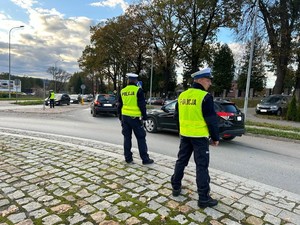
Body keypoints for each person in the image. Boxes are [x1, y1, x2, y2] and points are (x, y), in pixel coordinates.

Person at [171, 67, 220, 208]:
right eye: (207, 80)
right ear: (199, 80)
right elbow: (211, 119)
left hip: (185, 135)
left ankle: (175, 187)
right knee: (202, 167)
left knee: (181, 161)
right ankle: (203, 198)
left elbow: (176, 117)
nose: (209, 83)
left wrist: (181, 131)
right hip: (199, 137)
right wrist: (215, 137)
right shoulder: (205, 97)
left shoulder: (182, 96)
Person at [117, 73, 154, 165]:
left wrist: (120, 117)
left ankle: (128, 158)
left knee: (127, 138)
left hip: (125, 117)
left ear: (128, 80)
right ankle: (145, 159)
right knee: (141, 138)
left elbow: (119, 105)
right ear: (136, 81)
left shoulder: (123, 91)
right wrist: (145, 117)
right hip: (135, 118)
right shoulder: (138, 90)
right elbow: (142, 105)